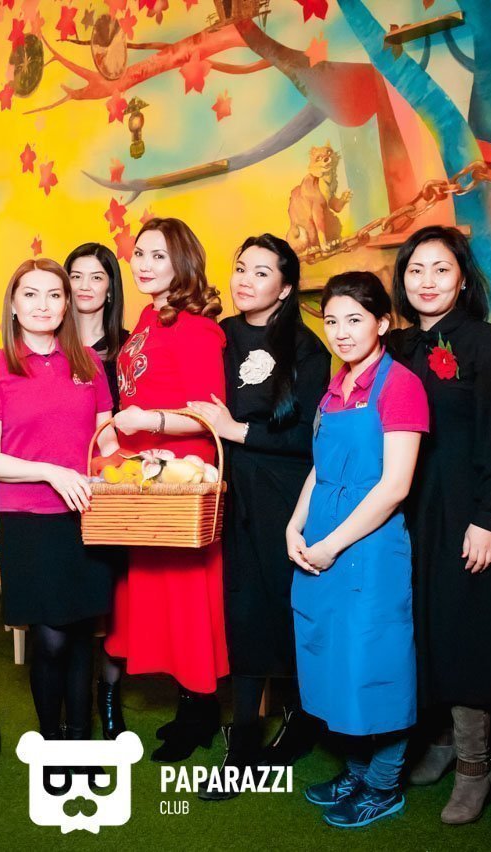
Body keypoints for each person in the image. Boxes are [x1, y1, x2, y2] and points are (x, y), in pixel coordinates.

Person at [187, 234, 329, 796]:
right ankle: (243, 740)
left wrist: (237, 430)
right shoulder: (216, 336)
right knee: (240, 611)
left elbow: (310, 437)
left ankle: (299, 720)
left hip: (284, 497)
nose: (245, 279)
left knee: (279, 607)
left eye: (262, 272)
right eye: (241, 267)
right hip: (227, 490)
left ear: (286, 288)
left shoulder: (307, 349)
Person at [385, 225, 491, 824]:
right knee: (421, 626)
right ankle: (437, 741)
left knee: (466, 633)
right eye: (416, 270)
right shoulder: (396, 346)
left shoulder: (489, 342)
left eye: (440, 269)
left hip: (466, 511)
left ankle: (475, 764)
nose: (427, 281)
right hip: (408, 509)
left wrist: (488, 519)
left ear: (462, 278)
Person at [287, 271, 428, 829]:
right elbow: (318, 470)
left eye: (354, 319)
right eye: (331, 321)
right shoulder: (333, 388)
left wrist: (330, 545)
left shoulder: (401, 386)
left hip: (368, 547)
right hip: (320, 540)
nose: (341, 332)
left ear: (382, 323)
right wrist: (295, 528)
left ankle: (384, 785)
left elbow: (395, 486)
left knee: (377, 666)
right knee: (332, 661)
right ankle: (357, 772)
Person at [0, 259, 117, 744]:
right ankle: (52, 745)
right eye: (30, 294)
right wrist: (52, 471)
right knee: (50, 638)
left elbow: (106, 441)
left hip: (86, 514)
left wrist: (134, 466)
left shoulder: (88, 363)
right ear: (13, 304)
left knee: (81, 633)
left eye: (54, 294)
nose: (43, 305)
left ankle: (78, 743)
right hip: (28, 517)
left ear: (67, 303)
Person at [105, 217, 230, 762]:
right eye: (139, 253)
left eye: (158, 255)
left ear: (183, 262)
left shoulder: (197, 328)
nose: (144, 264)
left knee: (186, 597)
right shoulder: (146, 318)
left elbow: (208, 413)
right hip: (145, 475)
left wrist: (147, 421)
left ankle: (201, 709)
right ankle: (187, 702)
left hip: (182, 477)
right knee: (158, 594)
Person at [65, 241, 129, 740]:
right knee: (73, 595)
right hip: (61, 484)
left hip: (114, 483)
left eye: (97, 277)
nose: (85, 286)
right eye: (76, 276)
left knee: (114, 596)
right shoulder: (47, 341)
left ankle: (109, 695)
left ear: (111, 288)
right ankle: (76, 702)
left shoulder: (129, 347)